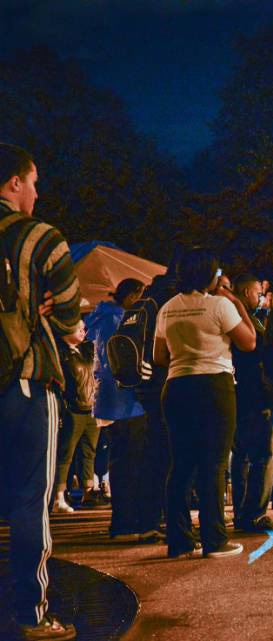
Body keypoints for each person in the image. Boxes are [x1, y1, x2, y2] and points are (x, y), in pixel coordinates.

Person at [0, 143, 82, 640]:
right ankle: (31, 614)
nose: (36, 191)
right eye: (32, 181)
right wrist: (61, 316)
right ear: (13, 183)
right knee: (32, 500)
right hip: (25, 383)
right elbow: (69, 309)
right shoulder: (38, 237)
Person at [154, 249, 256, 560]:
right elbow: (249, 342)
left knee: (181, 464)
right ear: (209, 275)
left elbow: (159, 357)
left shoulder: (168, 309)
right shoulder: (220, 305)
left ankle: (180, 541)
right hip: (214, 385)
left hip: (176, 387)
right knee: (214, 463)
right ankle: (214, 539)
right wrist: (238, 303)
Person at [88, 279, 161, 542]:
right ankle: (127, 525)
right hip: (128, 400)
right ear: (131, 296)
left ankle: (122, 522)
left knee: (119, 461)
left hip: (107, 398)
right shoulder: (123, 319)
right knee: (131, 462)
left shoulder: (99, 317)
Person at [230, 274, 273, 532]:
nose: (260, 297)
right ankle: (255, 513)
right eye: (258, 292)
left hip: (235, 396)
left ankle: (241, 511)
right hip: (253, 395)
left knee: (240, 456)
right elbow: (259, 344)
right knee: (264, 453)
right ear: (247, 292)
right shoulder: (242, 318)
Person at [52, 322, 97, 513]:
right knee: (66, 454)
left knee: (89, 451)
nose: (82, 331)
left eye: (83, 328)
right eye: (78, 327)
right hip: (73, 409)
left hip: (91, 409)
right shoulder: (60, 354)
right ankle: (58, 498)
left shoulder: (86, 351)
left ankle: (89, 493)